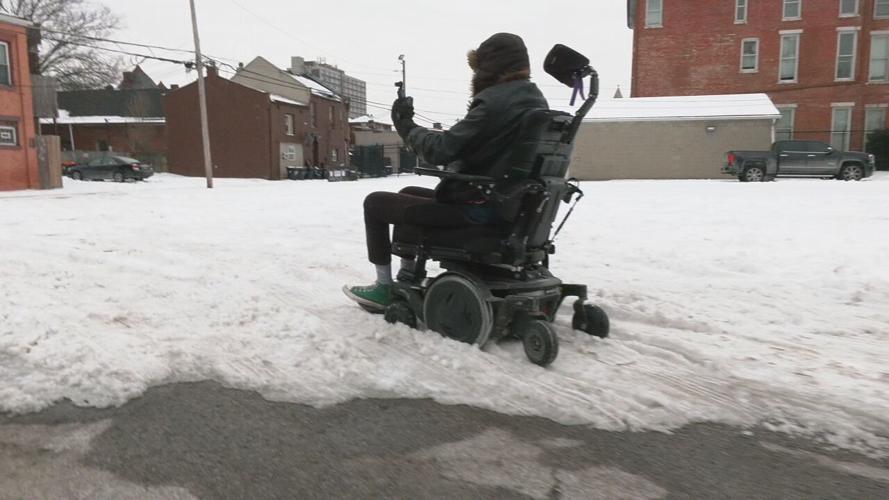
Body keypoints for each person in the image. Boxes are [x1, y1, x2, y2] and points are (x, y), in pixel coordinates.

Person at [344, 33, 549, 310]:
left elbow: (441, 150)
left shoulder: (494, 102)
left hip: (478, 210)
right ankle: (407, 277)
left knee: (376, 203)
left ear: (489, 67)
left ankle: (384, 287)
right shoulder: (535, 100)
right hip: (507, 205)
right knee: (407, 193)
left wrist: (406, 125)